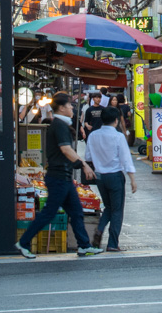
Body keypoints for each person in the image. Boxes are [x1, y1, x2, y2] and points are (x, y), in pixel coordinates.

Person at [16, 92, 101, 258]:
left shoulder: (59, 124)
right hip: (58, 177)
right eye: (69, 106)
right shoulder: (60, 125)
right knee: (49, 212)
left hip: (64, 177)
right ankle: (23, 242)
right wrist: (83, 165)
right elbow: (65, 149)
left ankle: (84, 245)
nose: (71, 108)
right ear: (62, 108)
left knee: (76, 212)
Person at [85, 107, 135, 252]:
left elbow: (88, 157)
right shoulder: (118, 136)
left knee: (108, 207)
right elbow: (126, 159)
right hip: (115, 176)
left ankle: (100, 229)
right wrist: (132, 179)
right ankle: (112, 243)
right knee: (117, 210)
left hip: (100, 176)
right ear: (116, 120)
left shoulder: (93, 135)